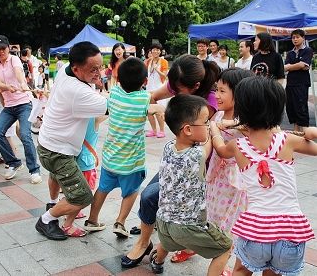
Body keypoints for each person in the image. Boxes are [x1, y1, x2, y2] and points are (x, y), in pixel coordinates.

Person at [210, 76, 316, 276]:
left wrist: (215, 129)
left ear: (241, 109)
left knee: (241, 271)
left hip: (255, 229)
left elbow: (222, 150)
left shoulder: (238, 146)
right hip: (290, 231)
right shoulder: (288, 140)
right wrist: (313, 133)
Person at [121, 55, 220, 268]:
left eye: (178, 91)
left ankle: (153, 244)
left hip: (198, 164)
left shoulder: (209, 102)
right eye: (172, 89)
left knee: (154, 198)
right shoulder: (178, 85)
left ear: (196, 86)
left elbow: (196, 136)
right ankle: (148, 238)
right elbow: (152, 97)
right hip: (178, 157)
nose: (174, 93)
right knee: (149, 196)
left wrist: (169, 116)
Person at [148, 94, 232, 275]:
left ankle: (157, 261)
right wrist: (214, 131)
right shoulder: (197, 155)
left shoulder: (169, 146)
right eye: (205, 121)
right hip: (188, 225)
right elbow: (209, 146)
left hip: (163, 221)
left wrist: (207, 127)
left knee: (170, 242)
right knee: (225, 247)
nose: (209, 124)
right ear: (187, 129)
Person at [83, 57, 164, 237]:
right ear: (144, 81)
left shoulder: (115, 94)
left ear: (118, 80)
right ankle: (120, 222)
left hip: (110, 158)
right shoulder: (144, 99)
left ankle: (92, 219)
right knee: (131, 192)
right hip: (131, 163)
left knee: (102, 189)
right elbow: (156, 102)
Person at [36, 41, 107, 240]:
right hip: (59, 152)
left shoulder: (65, 71)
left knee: (55, 176)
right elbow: (113, 107)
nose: (98, 73)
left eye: (100, 66)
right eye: (93, 69)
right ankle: (46, 219)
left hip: (47, 143)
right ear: (76, 68)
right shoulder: (77, 91)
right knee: (82, 196)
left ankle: (52, 202)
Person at [205, 68, 252, 275]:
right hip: (216, 178)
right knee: (214, 219)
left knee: (232, 225)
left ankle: (229, 265)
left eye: (223, 91)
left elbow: (244, 128)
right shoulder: (219, 115)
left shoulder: (246, 120)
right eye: (217, 90)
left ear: (239, 93)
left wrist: (220, 125)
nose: (217, 95)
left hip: (236, 183)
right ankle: (222, 262)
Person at [0, 35, 42, 184]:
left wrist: (22, 84)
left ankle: (34, 170)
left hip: (23, 104)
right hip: (8, 106)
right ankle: (14, 163)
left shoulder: (14, 59)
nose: (1, 52)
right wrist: (7, 87)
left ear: (8, 48)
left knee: (25, 135)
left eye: (3, 48)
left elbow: (19, 73)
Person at [284, 28, 313, 132]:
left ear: (303, 38)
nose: (295, 39)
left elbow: (304, 65)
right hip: (290, 83)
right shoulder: (290, 53)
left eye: (297, 37)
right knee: (291, 109)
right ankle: (296, 134)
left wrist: (292, 66)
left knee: (301, 109)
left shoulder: (308, 50)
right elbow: (285, 67)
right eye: (293, 37)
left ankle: (305, 134)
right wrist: (298, 66)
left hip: (301, 84)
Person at [145, 43, 169, 138]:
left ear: (160, 51)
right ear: (151, 51)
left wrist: (156, 69)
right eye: (154, 49)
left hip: (159, 88)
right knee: (149, 110)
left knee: (159, 110)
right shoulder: (148, 61)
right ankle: (154, 130)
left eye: (158, 50)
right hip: (149, 87)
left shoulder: (163, 62)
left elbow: (165, 75)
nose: (156, 51)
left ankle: (162, 130)